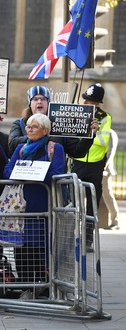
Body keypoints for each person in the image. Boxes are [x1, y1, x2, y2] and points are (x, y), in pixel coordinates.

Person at [5, 113, 65, 298]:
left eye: (35, 126)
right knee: (22, 249)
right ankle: (27, 287)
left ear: (45, 130)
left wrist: (30, 172)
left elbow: (56, 173)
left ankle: (46, 285)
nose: (30, 129)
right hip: (23, 207)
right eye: (29, 126)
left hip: (45, 206)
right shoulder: (22, 148)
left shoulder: (55, 148)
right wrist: (31, 173)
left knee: (43, 248)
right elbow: (8, 171)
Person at [71, 83, 112, 250]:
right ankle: (72, 234)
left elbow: (104, 142)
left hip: (95, 164)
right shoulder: (75, 112)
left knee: (91, 203)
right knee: (74, 201)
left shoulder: (105, 117)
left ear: (98, 104)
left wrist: (92, 133)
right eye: (86, 101)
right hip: (78, 161)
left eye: (92, 103)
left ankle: (88, 238)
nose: (88, 105)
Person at [8, 85, 95, 160]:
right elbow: (12, 145)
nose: (39, 101)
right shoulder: (20, 124)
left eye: (43, 99)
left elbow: (77, 153)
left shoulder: (61, 123)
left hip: (53, 176)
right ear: (30, 104)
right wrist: (36, 135)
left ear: (48, 103)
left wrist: (90, 134)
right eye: (35, 99)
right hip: (27, 172)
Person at [98, 129, 119, 230]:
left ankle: (115, 221)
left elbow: (111, 151)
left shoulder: (110, 133)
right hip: (94, 168)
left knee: (107, 195)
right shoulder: (96, 131)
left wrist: (104, 167)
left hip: (105, 170)